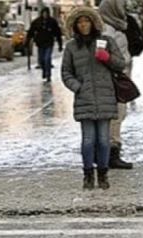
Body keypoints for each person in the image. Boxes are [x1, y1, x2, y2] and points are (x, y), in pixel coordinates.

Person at [61, 7, 125, 190]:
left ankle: (103, 174)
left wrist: (107, 58)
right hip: (85, 99)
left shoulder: (106, 41)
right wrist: (77, 87)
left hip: (105, 97)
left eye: (86, 21)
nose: (83, 25)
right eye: (80, 22)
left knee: (104, 140)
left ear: (93, 23)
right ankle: (88, 174)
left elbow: (120, 64)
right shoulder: (71, 47)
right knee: (88, 140)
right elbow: (66, 72)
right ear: (75, 26)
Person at [98, 0, 134, 170]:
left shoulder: (114, 28)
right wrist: (121, 63)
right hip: (112, 81)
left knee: (117, 115)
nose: (124, 11)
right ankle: (111, 155)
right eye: (121, 7)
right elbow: (101, 56)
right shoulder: (107, 31)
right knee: (115, 116)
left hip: (116, 79)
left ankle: (108, 154)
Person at [25, 7, 63, 83]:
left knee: (47, 59)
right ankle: (44, 71)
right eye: (44, 13)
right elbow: (31, 32)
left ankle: (48, 75)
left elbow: (58, 33)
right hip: (40, 44)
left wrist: (60, 45)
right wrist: (27, 42)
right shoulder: (37, 22)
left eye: (46, 13)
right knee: (42, 60)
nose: (45, 15)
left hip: (49, 43)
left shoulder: (52, 22)